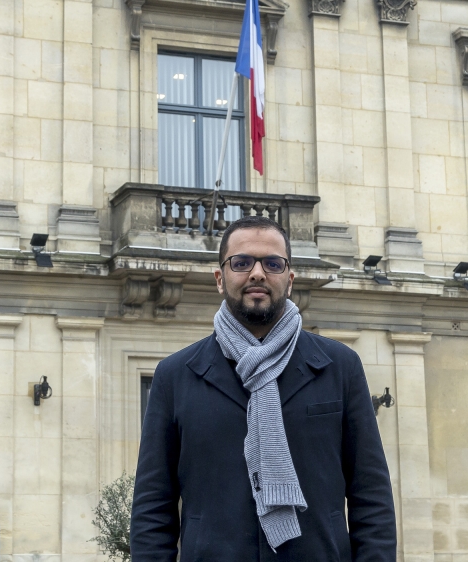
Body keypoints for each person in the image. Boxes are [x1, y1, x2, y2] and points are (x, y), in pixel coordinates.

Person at [130, 215, 397, 562]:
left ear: (289, 279)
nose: (257, 273)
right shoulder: (175, 375)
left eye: (272, 263)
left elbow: (371, 496)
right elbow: (153, 505)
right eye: (241, 263)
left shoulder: (340, 366)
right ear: (219, 278)